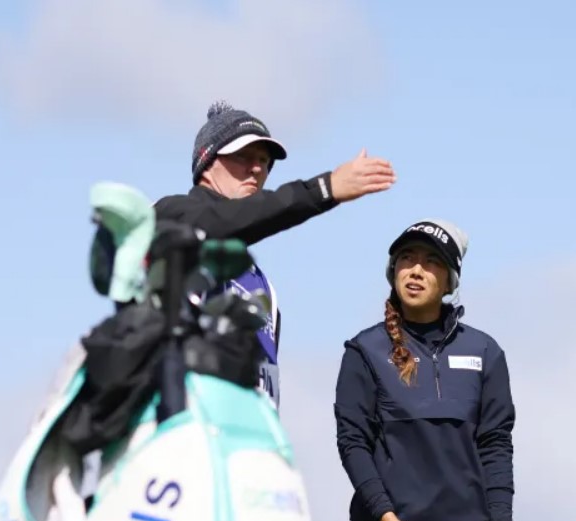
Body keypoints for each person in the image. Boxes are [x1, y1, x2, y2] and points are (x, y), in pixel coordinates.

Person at [333, 218, 517, 521]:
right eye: (408, 260)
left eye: (431, 262)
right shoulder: (365, 351)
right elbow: (353, 443)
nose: (416, 271)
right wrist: (387, 517)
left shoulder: (483, 352)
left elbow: (495, 444)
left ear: (450, 280)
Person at [154, 100, 396, 408]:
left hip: (248, 442)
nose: (257, 168)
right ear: (207, 161)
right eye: (243, 155)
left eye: (265, 161)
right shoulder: (173, 217)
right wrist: (325, 189)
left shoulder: (261, 284)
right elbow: (222, 223)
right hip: (184, 433)